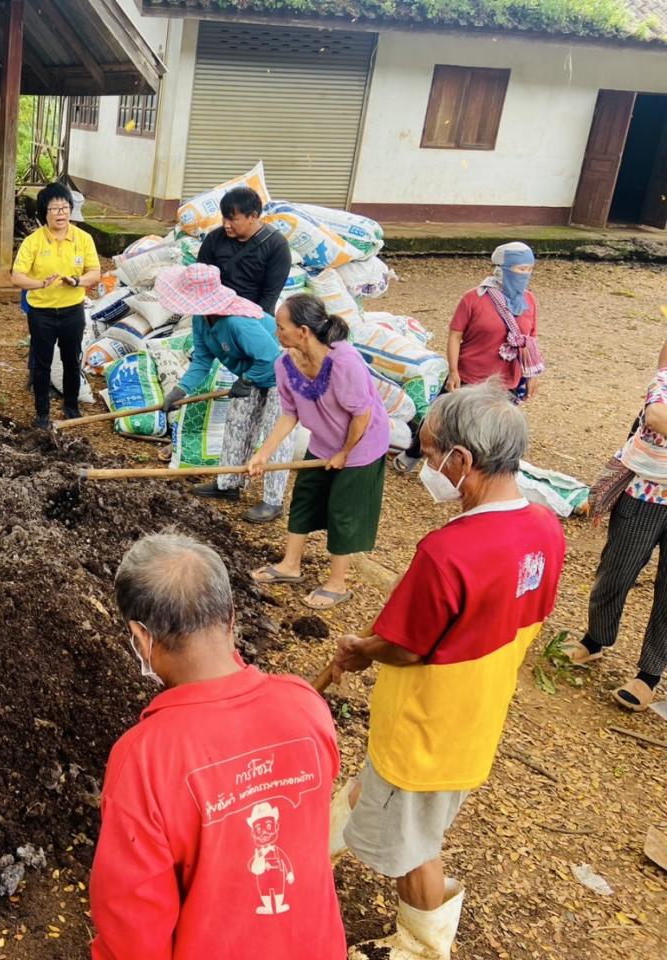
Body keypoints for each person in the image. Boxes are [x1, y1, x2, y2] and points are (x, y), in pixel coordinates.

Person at [329, 383, 564, 960]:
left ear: (462, 459)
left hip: (425, 727)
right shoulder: (545, 527)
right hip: (478, 712)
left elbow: (405, 648)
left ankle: (422, 944)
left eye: (431, 454)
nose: (425, 465)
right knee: (387, 794)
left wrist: (362, 649)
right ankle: (321, 837)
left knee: (414, 847)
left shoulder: (448, 551)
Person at [90, 532, 344, 960]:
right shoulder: (306, 705)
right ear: (230, 616)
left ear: (141, 637)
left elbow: (133, 929)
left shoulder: (144, 758)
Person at [245, 294, 390, 609]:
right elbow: (290, 414)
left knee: (343, 511)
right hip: (323, 443)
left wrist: (345, 453)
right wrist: (263, 453)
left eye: (281, 327)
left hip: (361, 445)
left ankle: (337, 584)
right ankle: (290, 565)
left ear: (303, 331)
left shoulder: (344, 361)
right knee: (305, 497)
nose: (276, 333)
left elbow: (362, 414)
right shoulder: (284, 365)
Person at [562, 361, 667, 710]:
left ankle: (649, 675)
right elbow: (656, 416)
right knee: (615, 572)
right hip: (645, 493)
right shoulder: (665, 380)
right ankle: (595, 640)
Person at [154, 262, 291, 522]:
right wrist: (180, 390)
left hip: (282, 375)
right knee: (237, 425)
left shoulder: (237, 322)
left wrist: (247, 380)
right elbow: (202, 360)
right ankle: (228, 483)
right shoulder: (202, 319)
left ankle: (273, 501)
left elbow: (271, 357)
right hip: (251, 373)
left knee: (276, 435)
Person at [394, 242, 542, 472]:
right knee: (439, 418)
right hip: (470, 374)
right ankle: (414, 452)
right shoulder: (474, 298)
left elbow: (530, 338)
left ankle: (473, 470)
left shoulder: (529, 301)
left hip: (507, 381)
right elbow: (455, 335)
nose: (526, 275)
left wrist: (531, 375)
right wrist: (453, 371)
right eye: (520, 269)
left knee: (489, 426)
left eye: (529, 270)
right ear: (501, 269)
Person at [10, 181, 100, 429]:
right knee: (42, 364)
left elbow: (95, 273)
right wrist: (40, 284)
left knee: (71, 361)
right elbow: (17, 277)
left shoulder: (83, 239)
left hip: (73, 311)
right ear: (44, 212)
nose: (61, 213)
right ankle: (42, 414)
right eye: (54, 209)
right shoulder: (33, 242)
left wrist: (77, 281)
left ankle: (71, 407)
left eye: (64, 207)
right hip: (42, 313)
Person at [196, 186, 291, 316]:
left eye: (233, 219)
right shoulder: (214, 238)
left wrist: (251, 321)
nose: (226, 225)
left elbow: (270, 296)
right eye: (224, 218)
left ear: (253, 216)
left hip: (250, 315)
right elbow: (200, 277)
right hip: (214, 309)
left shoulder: (276, 245)